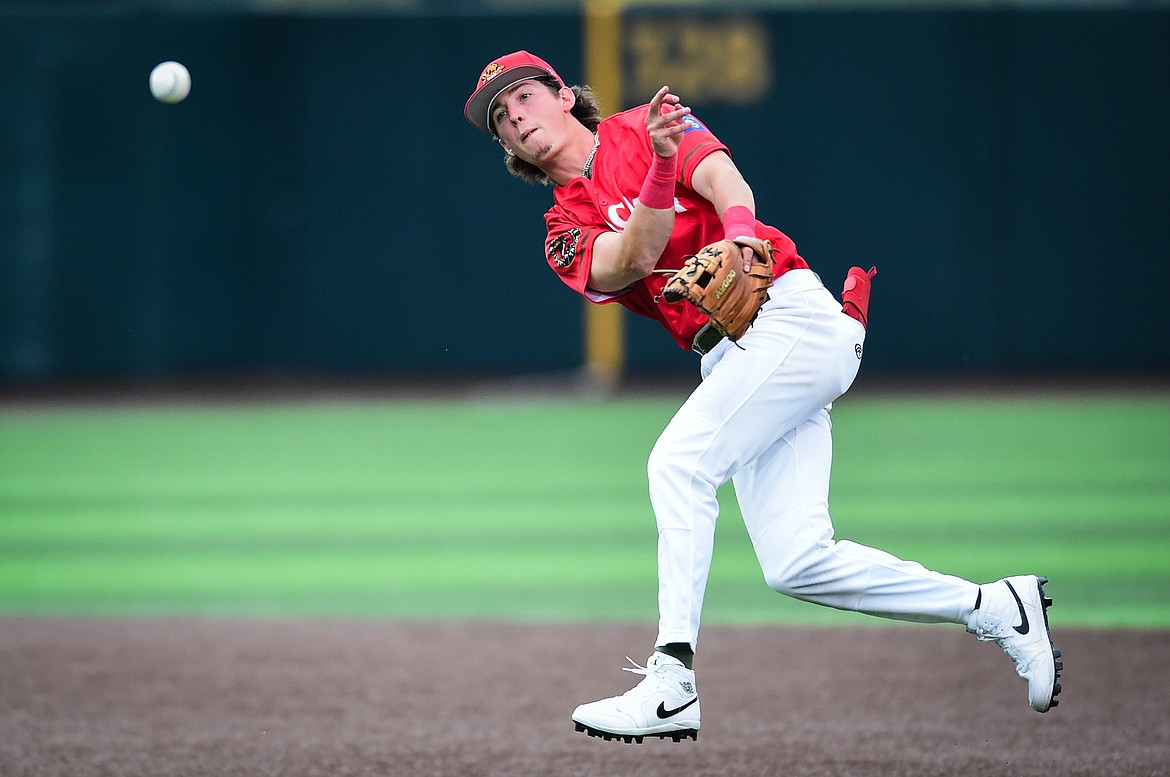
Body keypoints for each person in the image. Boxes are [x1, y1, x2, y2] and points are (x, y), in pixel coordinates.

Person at [463, 51, 1062, 744]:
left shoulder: (642, 125)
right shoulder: (560, 231)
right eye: (501, 120)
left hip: (787, 316)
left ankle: (672, 677)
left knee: (677, 464)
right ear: (506, 146)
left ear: (564, 96)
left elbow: (721, 177)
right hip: (736, 358)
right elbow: (629, 257)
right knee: (797, 562)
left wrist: (739, 232)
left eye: (525, 99)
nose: (515, 118)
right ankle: (996, 605)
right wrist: (661, 171)